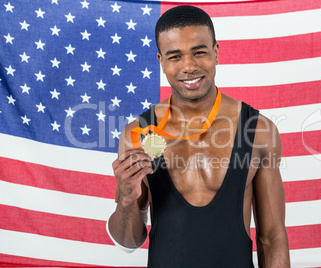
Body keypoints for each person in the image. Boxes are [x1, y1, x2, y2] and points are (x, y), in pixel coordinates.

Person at [108, 5, 290, 268]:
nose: (189, 66)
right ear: (161, 62)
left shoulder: (259, 131)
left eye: (199, 53)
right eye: (175, 56)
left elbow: (272, 237)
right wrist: (126, 197)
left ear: (216, 52)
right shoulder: (136, 134)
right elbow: (129, 243)